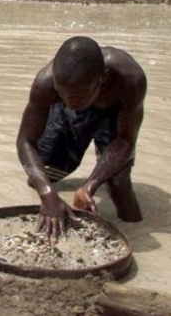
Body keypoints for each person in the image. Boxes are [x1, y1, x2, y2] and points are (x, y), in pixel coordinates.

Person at [16, 36, 145, 241]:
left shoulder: (130, 79)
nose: (70, 100)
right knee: (42, 176)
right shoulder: (46, 84)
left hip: (113, 116)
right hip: (67, 116)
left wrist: (90, 186)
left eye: (79, 95)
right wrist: (48, 194)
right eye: (62, 93)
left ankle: (135, 236)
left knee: (119, 185)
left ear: (103, 78)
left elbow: (126, 140)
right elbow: (25, 140)